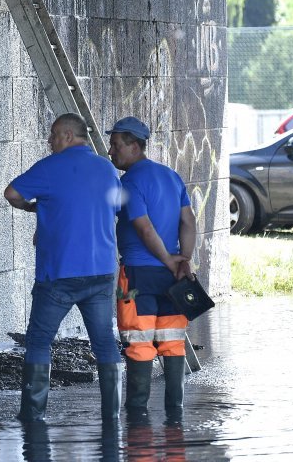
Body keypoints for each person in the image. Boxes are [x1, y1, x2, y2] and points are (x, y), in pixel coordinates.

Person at [4, 113, 123, 423]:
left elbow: (12, 193)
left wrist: (35, 207)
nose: (50, 142)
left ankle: (33, 414)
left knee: (40, 340)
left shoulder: (50, 167)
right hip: (100, 272)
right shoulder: (107, 169)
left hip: (59, 273)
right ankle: (113, 413)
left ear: (68, 136)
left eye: (54, 136)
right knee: (105, 342)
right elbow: (116, 208)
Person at [105, 116, 196, 420]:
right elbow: (188, 221)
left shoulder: (130, 181)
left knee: (138, 343)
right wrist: (182, 259)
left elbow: (143, 228)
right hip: (172, 277)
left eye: (116, 144)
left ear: (134, 145)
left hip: (137, 275)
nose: (110, 151)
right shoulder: (172, 176)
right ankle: (175, 412)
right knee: (172, 342)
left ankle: (136, 415)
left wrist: (170, 259)